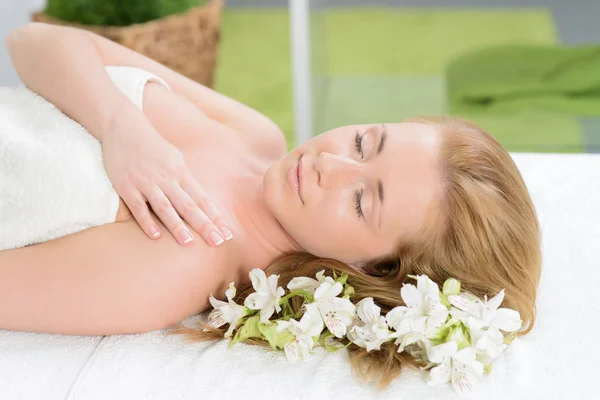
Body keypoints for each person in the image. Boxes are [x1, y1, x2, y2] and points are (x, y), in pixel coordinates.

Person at [0, 23, 541, 383]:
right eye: (362, 143)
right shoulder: (257, 136)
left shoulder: (183, 254)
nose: (332, 164)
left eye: (361, 201)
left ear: (373, 268)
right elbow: (36, 40)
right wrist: (121, 128)